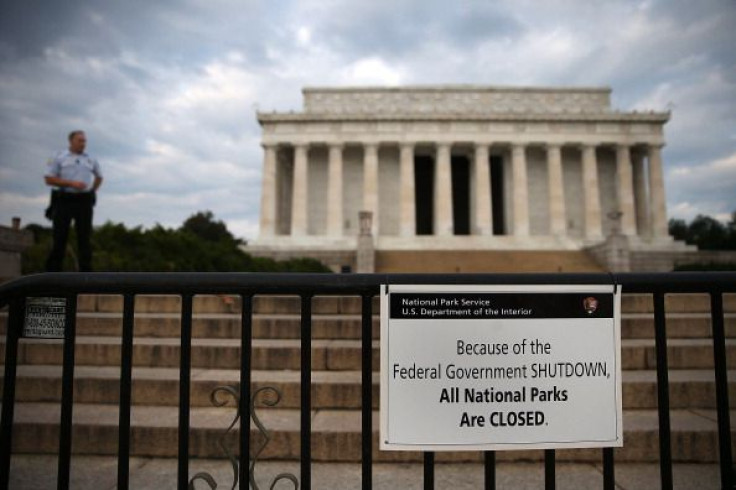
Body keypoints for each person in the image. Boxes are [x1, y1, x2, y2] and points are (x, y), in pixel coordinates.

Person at [44, 130, 103, 272]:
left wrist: (92, 190)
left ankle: (86, 274)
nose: (83, 143)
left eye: (84, 141)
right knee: (60, 236)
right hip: (64, 198)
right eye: (80, 140)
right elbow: (49, 179)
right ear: (71, 141)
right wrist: (71, 184)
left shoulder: (90, 159)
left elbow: (99, 176)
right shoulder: (59, 157)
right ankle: (53, 273)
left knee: (84, 237)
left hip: (83, 200)